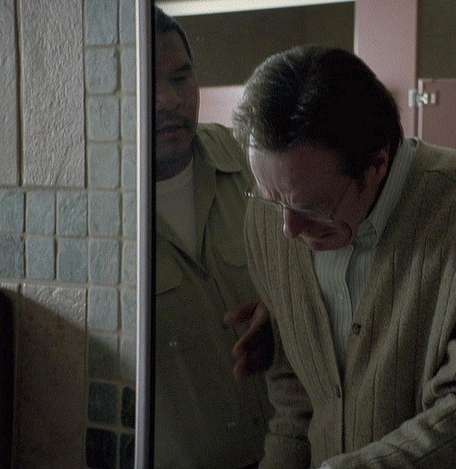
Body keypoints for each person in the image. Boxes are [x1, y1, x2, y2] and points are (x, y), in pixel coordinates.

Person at [231, 44, 456, 468]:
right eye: (272, 200)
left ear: (377, 164)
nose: (288, 229)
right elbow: (295, 402)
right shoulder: (270, 216)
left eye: (310, 208)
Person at [152, 7, 273, 468]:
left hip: (289, 448)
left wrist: (286, 303)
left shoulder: (249, 159)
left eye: (181, 78)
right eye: (150, 84)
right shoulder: (99, 212)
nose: (170, 100)